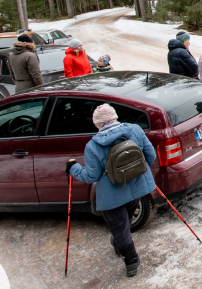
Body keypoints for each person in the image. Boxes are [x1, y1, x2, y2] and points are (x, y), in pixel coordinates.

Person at [67, 104, 156, 277]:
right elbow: (150, 156)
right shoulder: (135, 130)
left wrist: (73, 168)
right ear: (115, 117)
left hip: (112, 195)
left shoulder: (93, 146)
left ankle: (131, 260)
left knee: (119, 228)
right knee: (124, 222)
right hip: (137, 186)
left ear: (97, 124)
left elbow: (91, 176)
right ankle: (118, 243)